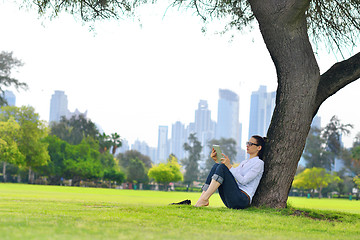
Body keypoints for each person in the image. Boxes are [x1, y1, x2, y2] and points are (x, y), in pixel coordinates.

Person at [194, 135, 266, 209]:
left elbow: (243, 181)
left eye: (251, 144)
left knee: (222, 167)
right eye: (247, 143)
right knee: (217, 165)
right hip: (232, 197)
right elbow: (231, 173)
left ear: (259, 148)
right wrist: (218, 161)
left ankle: (204, 199)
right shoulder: (244, 162)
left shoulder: (259, 163)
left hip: (242, 200)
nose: (247, 145)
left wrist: (228, 165)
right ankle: (202, 199)